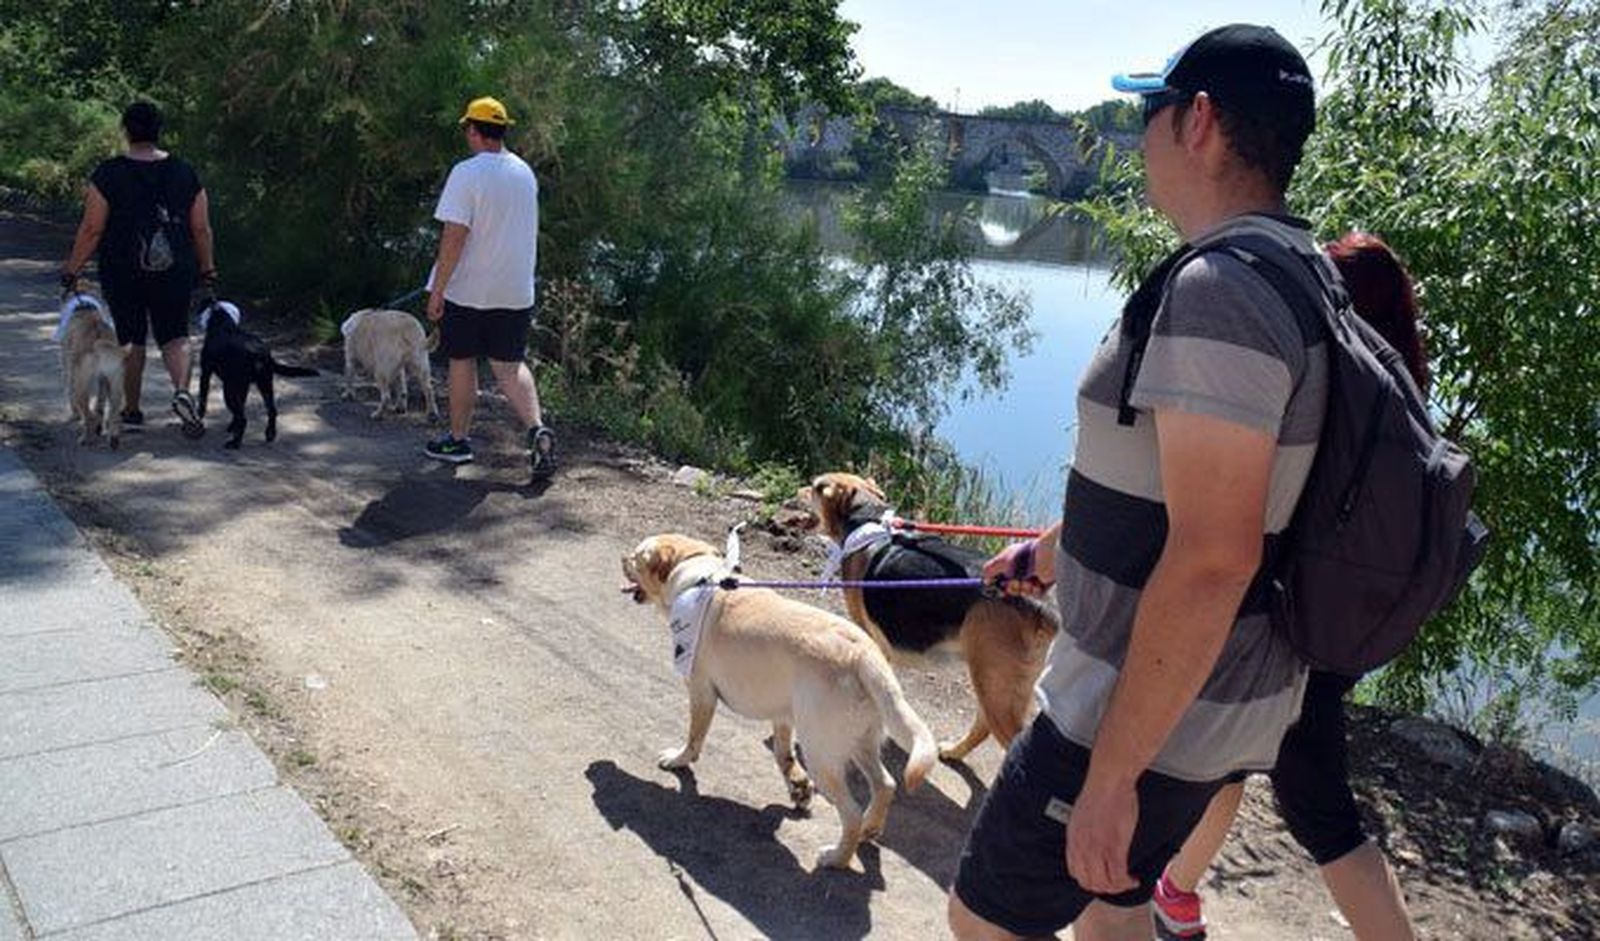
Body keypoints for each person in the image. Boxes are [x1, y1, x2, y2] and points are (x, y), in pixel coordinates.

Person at [949, 25, 1329, 940]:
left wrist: (1113, 774)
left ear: (1197, 121)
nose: (1139, 133)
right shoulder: (1296, 267)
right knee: (1110, 914)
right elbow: (1210, 491)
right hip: (1208, 698)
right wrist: (1055, 550)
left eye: (1149, 110)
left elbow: (1214, 555)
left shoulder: (1220, 292)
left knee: (982, 922)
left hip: (1131, 712)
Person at [1150, 233, 1428, 941]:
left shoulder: (1333, 386)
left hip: (1294, 630)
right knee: (1229, 757)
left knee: (1325, 819)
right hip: (1341, 625)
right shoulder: (1400, 393)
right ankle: (1175, 894)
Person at [422, 96, 555, 479]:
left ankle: (458, 441)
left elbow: (454, 236)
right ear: (502, 130)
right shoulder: (524, 173)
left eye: (467, 129)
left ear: (473, 130)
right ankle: (537, 430)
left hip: (469, 290)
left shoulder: (467, 172)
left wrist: (437, 289)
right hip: (515, 291)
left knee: (462, 360)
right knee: (509, 366)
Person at [60, 101, 212, 436]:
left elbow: (92, 229)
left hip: (122, 267)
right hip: (175, 266)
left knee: (131, 336)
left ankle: (131, 409)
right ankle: (181, 392)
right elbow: (201, 228)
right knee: (175, 334)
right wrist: (207, 267)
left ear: (126, 131)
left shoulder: (108, 174)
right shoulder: (185, 172)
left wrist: (72, 269)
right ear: (159, 130)